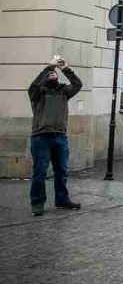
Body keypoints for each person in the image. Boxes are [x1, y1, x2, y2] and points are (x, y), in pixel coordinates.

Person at [27, 56, 83, 216]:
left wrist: (65, 68)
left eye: (55, 72)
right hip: (41, 137)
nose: (53, 74)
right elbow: (34, 85)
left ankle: (62, 200)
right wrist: (49, 67)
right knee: (40, 172)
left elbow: (78, 84)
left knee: (62, 170)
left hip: (60, 136)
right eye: (51, 73)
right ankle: (37, 203)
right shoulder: (37, 92)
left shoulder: (64, 91)